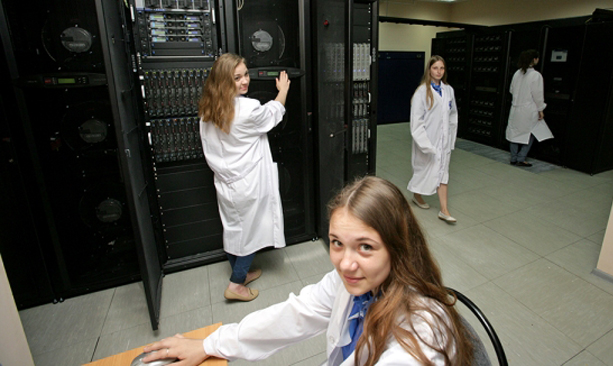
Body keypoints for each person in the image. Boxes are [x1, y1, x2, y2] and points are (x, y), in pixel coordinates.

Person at [141, 176, 475, 365]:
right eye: (336, 243)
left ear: (398, 246)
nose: (345, 263)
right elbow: (293, 315)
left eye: (366, 247)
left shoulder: (420, 335)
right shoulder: (356, 283)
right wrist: (212, 343)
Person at [198, 53, 291, 302]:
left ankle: (243, 272)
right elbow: (272, 113)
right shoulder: (246, 109)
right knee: (250, 234)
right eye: (236, 77)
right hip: (249, 184)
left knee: (234, 229)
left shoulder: (208, 110)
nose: (244, 81)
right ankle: (236, 284)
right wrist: (282, 90)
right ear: (223, 81)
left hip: (226, 182)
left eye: (245, 74)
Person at [407, 55, 458, 224]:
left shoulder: (448, 90)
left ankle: (444, 210)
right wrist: (427, 145)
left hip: (443, 141)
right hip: (427, 141)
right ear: (429, 69)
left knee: (443, 172)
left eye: (442, 68)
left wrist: (450, 140)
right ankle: (417, 195)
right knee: (423, 171)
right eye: (435, 68)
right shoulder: (421, 92)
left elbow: (453, 115)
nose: (439, 72)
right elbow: (416, 122)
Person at [505, 49, 553, 167]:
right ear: (535, 59)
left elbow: (511, 90)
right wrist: (540, 109)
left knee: (514, 133)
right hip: (528, 109)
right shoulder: (536, 75)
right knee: (529, 134)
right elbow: (538, 95)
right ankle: (521, 158)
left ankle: (513, 158)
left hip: (515, 109)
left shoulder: (517, 73)